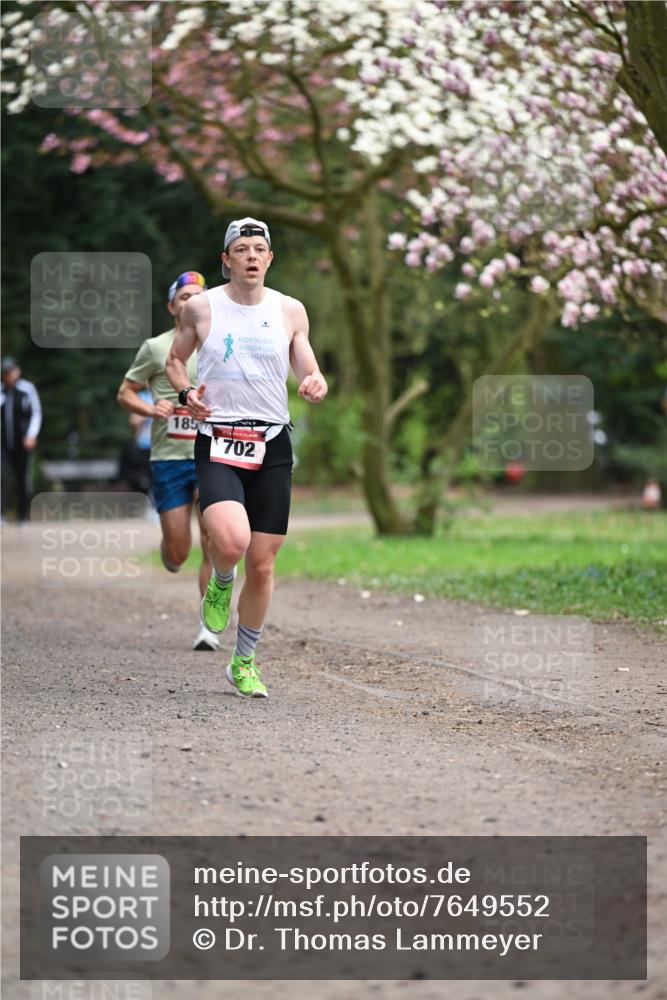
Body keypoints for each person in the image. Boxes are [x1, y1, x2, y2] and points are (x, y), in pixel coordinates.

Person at [166, 218, 327, 698]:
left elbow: (307, 364)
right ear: (226, 259)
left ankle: (244, 661)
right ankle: (219, 580)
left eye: (260, 249)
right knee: (232, 543)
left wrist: (314, 381)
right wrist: (183, 392)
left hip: (272, 443)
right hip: (217, 439)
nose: (251, 256)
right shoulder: (200, 307)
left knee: (262, 563)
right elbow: (175, 360)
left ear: (270, 258)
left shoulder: (290, 310)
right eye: (242, 249)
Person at [117, 271, 218, 651]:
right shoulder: (156, 347)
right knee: (179, 550)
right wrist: (150, 408)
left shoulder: (216, 342)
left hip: (212, 452)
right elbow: (124, 392)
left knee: (212, 538)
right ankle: (169, 549)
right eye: (184, 296)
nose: (190, 301)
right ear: (172, 305)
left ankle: (209, 625)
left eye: (198, 295)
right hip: (168, 457)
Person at [1, 356, 42, 524]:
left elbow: (36, 413)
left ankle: (23, 516)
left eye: (10, 372)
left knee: (23, 479)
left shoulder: (27, 389)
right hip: (3, 444)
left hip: (22, 443)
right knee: (2, 477)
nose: (8, 376)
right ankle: (1, 514)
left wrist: (31, 435)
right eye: (5, 373)